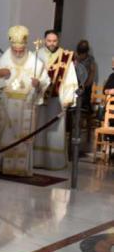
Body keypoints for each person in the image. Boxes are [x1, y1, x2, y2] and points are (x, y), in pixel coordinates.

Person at [0, 26, 49, 176]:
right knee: (4, 135)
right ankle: (0, 166)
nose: (18, 53)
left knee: (22, 138)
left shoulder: (35, 62)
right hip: (6, 104)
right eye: (15, 50)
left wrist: (38, 84)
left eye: (21, 50)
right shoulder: (5, 58)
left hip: (25, 106)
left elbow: (45, 81)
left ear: (25, 46)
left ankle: (20, 169)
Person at [34, 30, 78, 170]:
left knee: (55, 130)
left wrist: (68, 98)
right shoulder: (37, 54)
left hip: (57, 98)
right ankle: (37, 160)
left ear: (58, 41)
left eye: (54, 41)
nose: (52, 43)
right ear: (44, 40)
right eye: (49, 41)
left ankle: (54, 162)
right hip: (40, 97)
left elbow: (70, 78)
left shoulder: (65, 56)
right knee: (39, 128)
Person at [75, 39, 97, 111]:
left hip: (86, 84)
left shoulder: (90, 59)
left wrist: (86, 84)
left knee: (85, 101)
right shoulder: (75, 57)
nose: (82, 56)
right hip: (75, 83)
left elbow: (92, 72)